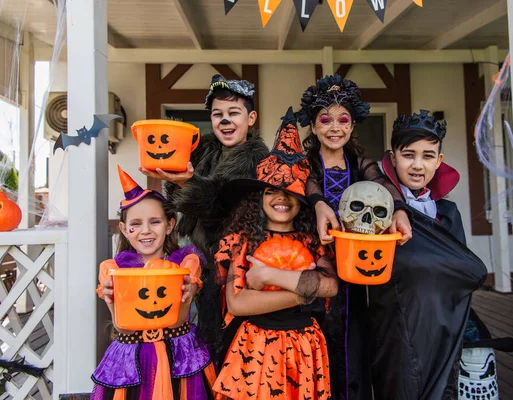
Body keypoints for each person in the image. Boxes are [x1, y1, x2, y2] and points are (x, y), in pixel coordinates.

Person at [296, 74, 412, 399]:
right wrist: (319, 204)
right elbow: (311, 185)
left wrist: (400, 210)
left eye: (343, 120)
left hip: (359, 273)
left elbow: (387, 187)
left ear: (352, 126)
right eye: (325, 120)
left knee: (356, 343)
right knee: (319, 344)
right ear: (314, 127)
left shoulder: (362, 164)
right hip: (316, 268)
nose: (335, 127)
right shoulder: (306, 166)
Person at [211, 108, 337, 399]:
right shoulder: (243, 240)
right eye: (271, 191)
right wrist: (306, 290)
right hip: (256, 346)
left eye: (291, 192)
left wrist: (269, 276)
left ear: (302, 200)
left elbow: (330, 285)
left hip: (304, 346)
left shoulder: (311, 239)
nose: (281, 198)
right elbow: (238, 303)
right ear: (259, 198)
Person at [141, 74, 270, 358]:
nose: (225, 121)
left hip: (234, 266)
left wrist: (187, 183)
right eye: (217, 114)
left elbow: (220, 208)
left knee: (225, 339)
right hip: (199, 258)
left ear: (251, 118)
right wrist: (172, 175)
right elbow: (182, 202)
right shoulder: (205, 152)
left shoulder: (257, 160)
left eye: (233, 113)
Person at [367, 110, 487, 399]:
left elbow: (461, 271)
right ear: (393, 158)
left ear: (440, 161)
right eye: (408, 155)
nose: (418, 165)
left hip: (445, 328)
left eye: (428, 156)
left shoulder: (448, 213)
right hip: (397, 330)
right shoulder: (376, 211)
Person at [92, 166, 215, 399]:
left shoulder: (185, 265)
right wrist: (111, 297)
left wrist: (186, 286)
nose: (145, 231)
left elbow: (175, 319)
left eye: (155, 222)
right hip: (133, 359)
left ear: (169, 225)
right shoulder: (115, 270)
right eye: (135, 224)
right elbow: (123, 326)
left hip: (178, 355)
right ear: (124, 230)